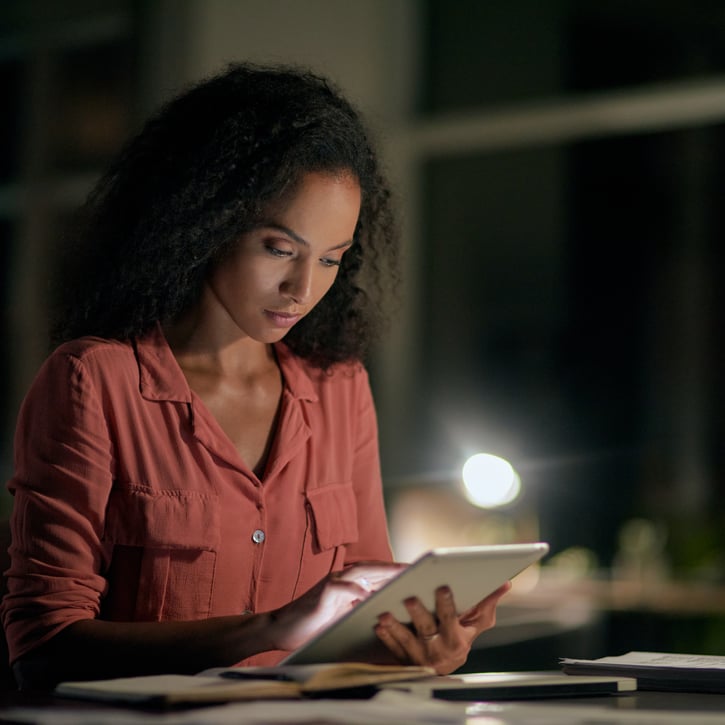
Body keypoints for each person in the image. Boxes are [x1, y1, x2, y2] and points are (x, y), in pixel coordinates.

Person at [1, 62, 510, 690]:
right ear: (206, 222)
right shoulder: (94, 382)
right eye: (279, 249)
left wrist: (420, 647)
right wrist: (264, 630)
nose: (303, 289)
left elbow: (360, 631)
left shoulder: (339, 389)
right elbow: (42, 648)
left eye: (329, 260)